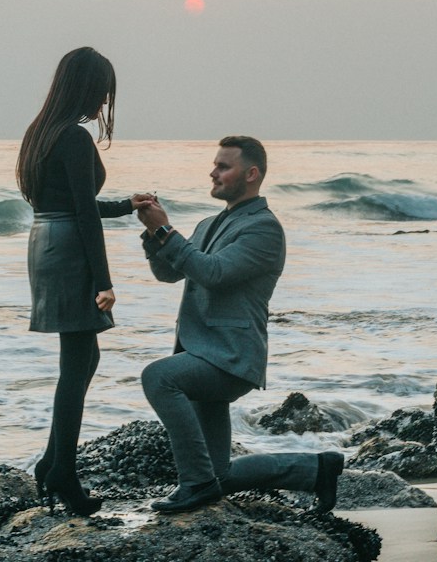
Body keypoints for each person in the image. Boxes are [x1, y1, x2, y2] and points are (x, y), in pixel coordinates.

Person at [137, 135, 344, 513]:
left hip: (231, 357)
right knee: (220, 477)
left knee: (158, 377)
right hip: (202, 351)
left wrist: (167, 232)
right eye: (215, 164)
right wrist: (154, 233)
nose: (213, 172)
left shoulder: (263, 229)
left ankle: (195, 484)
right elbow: (168, 272)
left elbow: (214, 273)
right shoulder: (207, 224)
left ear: (251, 174)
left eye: (223, 166)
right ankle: (316, 469)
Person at [16, 47, 151, 516]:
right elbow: (84, 220)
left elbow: (71, 203)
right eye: (102, 93)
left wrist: (124, 206)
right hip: (71, 249)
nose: (103, 104)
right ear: (87, 89)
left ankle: (54, 462)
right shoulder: (73, 137)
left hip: (45, 242)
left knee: (80, 359)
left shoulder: (40, 133)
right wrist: (105, 282)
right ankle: (62, 475)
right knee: (77, 364)